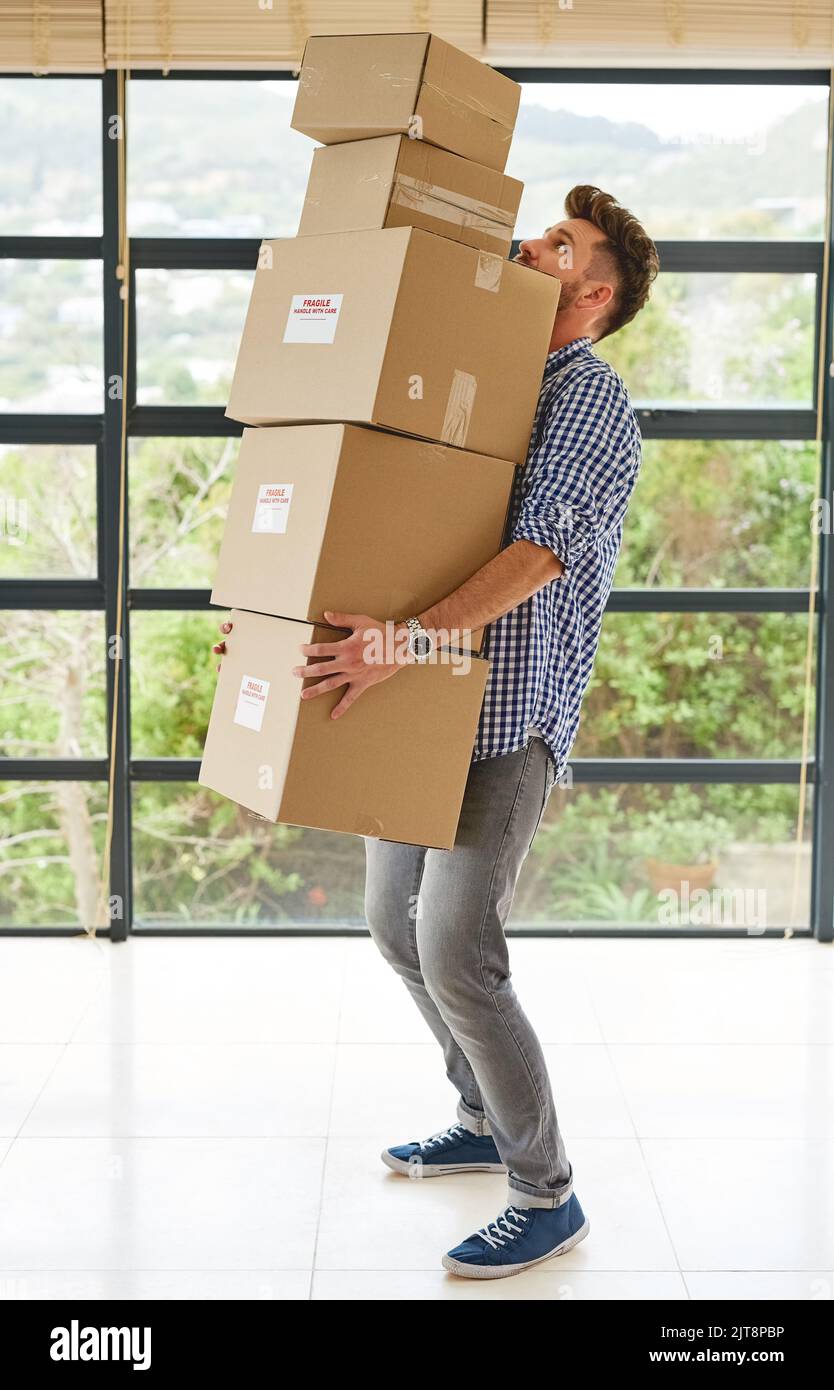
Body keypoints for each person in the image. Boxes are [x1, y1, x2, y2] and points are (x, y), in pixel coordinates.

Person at [214, 185, 659, 1280]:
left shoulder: (585, 398)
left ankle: (546, 1191)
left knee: (459, 946)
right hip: (417, 699)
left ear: (593, 293)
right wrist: (284, 632)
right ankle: (476, 1110)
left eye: (558, 244)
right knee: (388, 923)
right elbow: (378, 520)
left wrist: (405, 642)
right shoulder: (475, 385)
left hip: (507, 710)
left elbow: (540, 551)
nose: (528, 244)